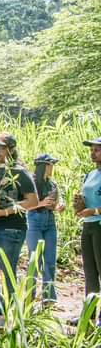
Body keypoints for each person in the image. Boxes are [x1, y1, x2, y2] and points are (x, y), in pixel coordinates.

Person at [0, 133, 38, 328]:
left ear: (10, 149)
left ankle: (14, 316)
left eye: (0, 148)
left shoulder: (20, 172)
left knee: (7, 270)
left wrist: (4, 212)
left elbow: (33, 201)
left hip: (11, 228)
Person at [26, 154, 63, 304]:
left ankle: (48, 297)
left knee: (50, 259)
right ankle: (30, 295)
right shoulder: (31, 183)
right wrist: (40, 203)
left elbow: (53, 204)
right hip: (34, 220)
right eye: (50, 165)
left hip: (49, 220)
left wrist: (58, 206)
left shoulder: (52, 184)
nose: (52, 168)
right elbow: (25, 205)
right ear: (43, 166)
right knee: (34, 260)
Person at [74, 137, 101, 325]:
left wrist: (96, 210)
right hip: (88, 225)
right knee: (90, 272)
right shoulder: (90, 174)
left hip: (99, 225)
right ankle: (88, 316)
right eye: (92, 150)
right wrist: (80, 206)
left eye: (97, 150)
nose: (93, 153)